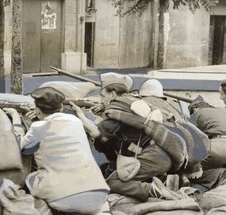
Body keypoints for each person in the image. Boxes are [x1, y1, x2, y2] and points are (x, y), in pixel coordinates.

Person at [4, 86, 113, 215]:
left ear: (38, 109)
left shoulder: (38, 127)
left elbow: (22, 148)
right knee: (103, 207)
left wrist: (16, 119)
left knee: (32, 179)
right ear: (61, 107)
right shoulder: (76, 122)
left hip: (62, 196)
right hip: (96, 192)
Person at [71, 72, 186, 202]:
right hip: (160, 154)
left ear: (113, 94)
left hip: (154, 157)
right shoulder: (131, 102)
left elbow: (95, 132)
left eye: (103, 96)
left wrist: (80, 115)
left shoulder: (117, 110)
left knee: (112, 182)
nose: (101, 100)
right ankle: (166, 181)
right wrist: (104, 107)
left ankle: (153, 190)